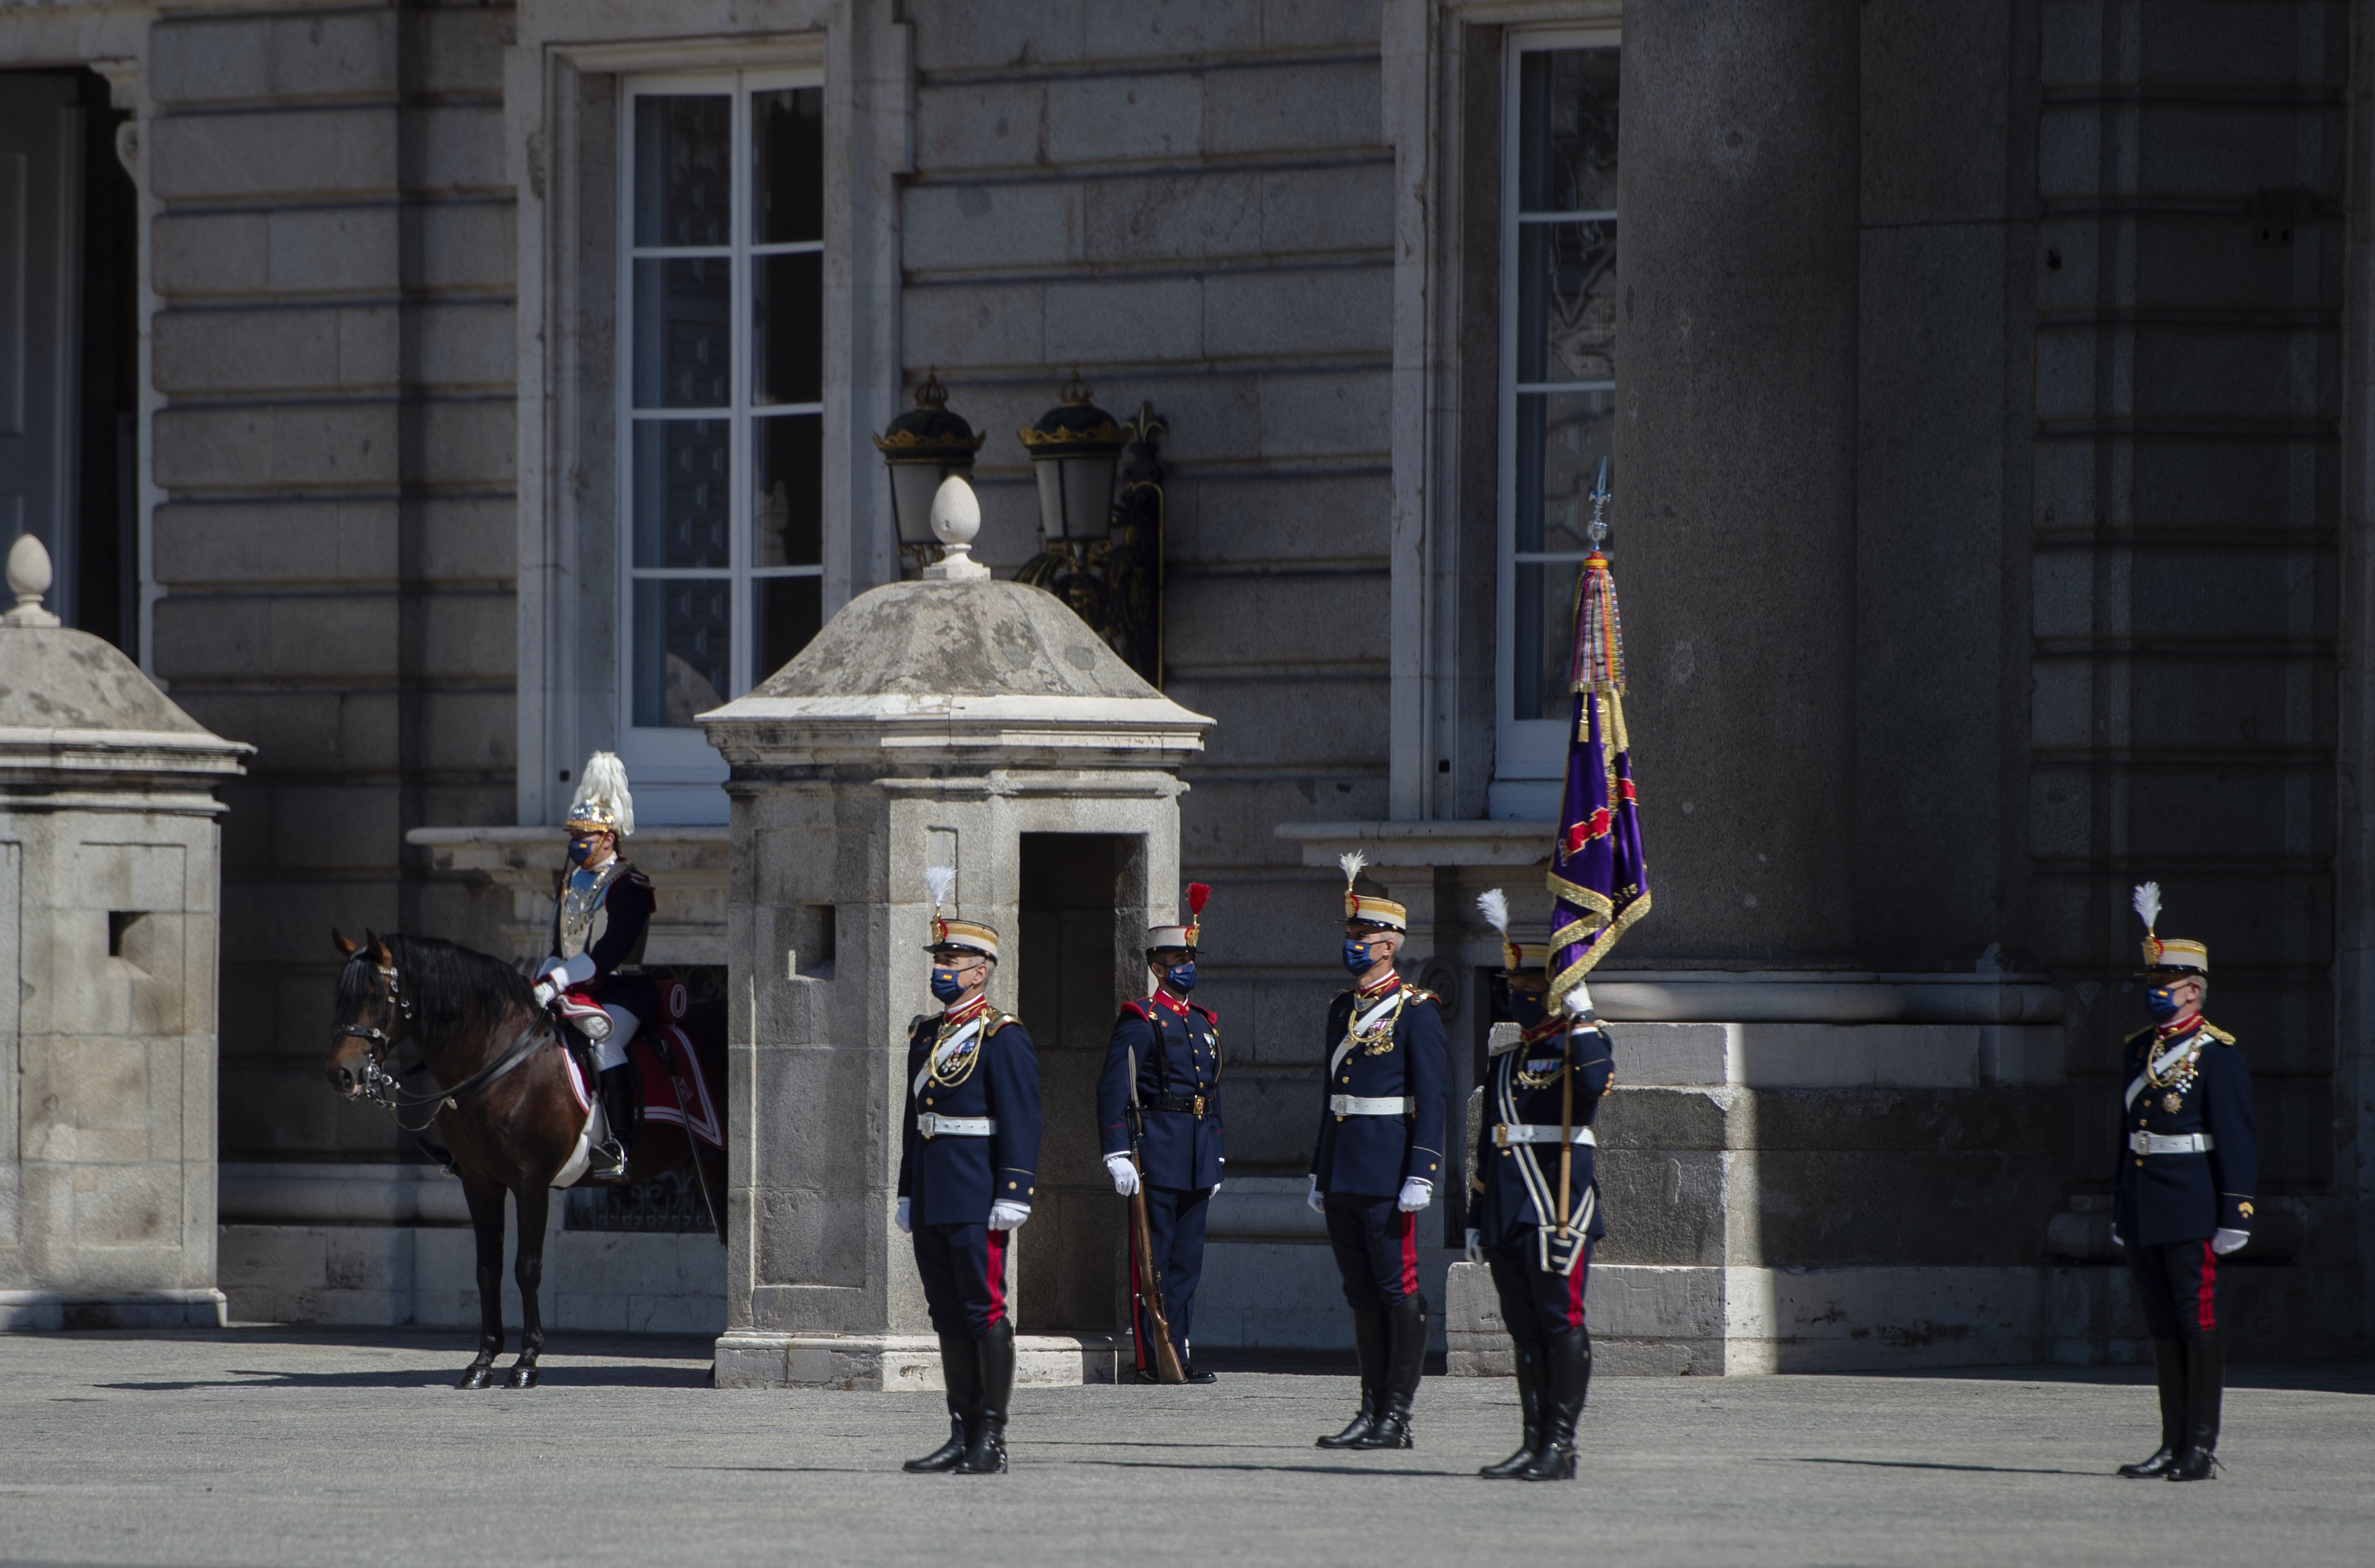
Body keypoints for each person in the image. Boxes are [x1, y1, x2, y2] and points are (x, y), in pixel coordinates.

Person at [897, 873, 1042, 1477]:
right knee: (946, 1313)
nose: (944, 968)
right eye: (941, 959)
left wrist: (1015, 1188)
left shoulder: (1002, 1036)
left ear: (982, 969)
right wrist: (907, 1188)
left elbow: (1022, 1116)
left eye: (954, 959)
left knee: (983, 1309)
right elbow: (916, 1116)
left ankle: (993, 1436)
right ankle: (959, 1431)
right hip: (934, 1187)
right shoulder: (928, 1034)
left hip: (978, 1191)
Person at [2112, 883, 2257, 1483]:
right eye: (2152, 981)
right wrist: (2120, 1206)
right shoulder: (2139, 1051)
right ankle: (2170, 1444)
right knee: (2161, 1323)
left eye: (2165, 984)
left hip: (2195, 1203)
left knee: (2196, 1320)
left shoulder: (2217, 1055)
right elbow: (2124, 1135)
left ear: (2193, 989)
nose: (2155, 991)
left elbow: (2238, 1137)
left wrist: (2236, 1212)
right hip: (2146, 1202)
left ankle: (2200, 1446)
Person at [1465, 903, 1610, 1482]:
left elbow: (1596, 1086)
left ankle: (1561, 1445)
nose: (1519, 994)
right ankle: (1531, 1442)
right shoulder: (1506, 1064)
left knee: (1559, 1321)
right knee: (1523, 1328)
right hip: (1506, 1212)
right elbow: (1486, 1147)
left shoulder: (1582, 1049)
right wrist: (1477, 1215)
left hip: (1556, 1207)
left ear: (1555, 990)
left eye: (1531, 985)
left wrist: (1585, 1017)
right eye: (1513, 985)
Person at [1308, 852, 1448, 1450]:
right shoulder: (1343, 1007)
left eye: (1364, 937)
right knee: (1360, 1293)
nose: (1355, 945)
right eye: (1351, 935)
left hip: (1391, 1169)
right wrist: (1319, 1166)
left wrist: (1422, 1169)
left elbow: (1434, 1097)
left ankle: (1398, 1413)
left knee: (1397, 1289)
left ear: (1390, 944)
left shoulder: (1417, 1011)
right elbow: (1331, 1095)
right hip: (1344, 1167)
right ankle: (1370, 1409)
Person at [1099, 886, 1224, 1383]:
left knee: (1187, 1262)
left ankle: (1182, 1350)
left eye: (1190, 957)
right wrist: (1117, 1151)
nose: (1185, 966)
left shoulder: (1204, 1023)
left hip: (1196, 1153)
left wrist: (1217, 1155)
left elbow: (1214, 1094)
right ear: (1157, 966)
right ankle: (1154, 1357)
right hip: (1156, 1149)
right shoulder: (1140, 1019)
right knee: (1154, 1259)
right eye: (1176, 958)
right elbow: (1112, 1085)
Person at [529, 752, 656, 1179]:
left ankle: (619, 1143)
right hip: (573, 989)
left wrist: (557, 981)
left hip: (621, 990)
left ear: (608, 838)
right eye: (575, 834)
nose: (577, 842)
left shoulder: (630, 886)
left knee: (605, 1044)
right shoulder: (573, 882)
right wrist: (542, 981)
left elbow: (606, 955)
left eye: (586, 835)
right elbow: (558, 944)